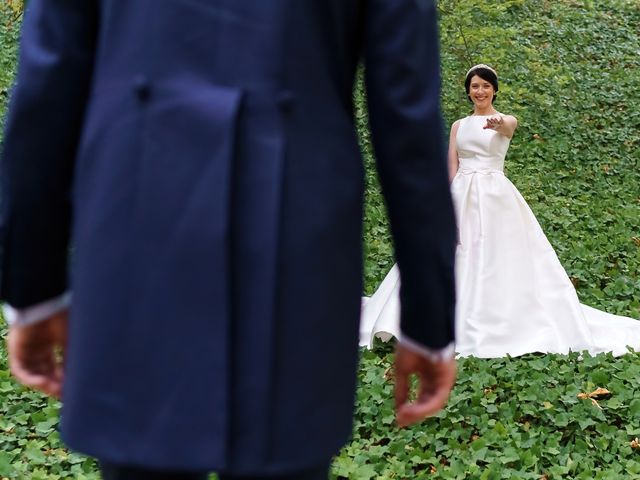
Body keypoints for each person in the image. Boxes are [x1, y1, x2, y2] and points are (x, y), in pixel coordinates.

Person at [1, 1, 457, 479]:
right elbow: (407, 116)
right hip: (295, 241)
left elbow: (45, 88)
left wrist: (32, 288)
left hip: (137, 228)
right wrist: (428, 321)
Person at [361, 64, 640, 358]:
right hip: (460, 194)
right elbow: (451, 168)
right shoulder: (459, 125)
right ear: (468, 91)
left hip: (494, 194)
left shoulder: (507, 119)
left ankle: (497, 320)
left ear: (494, 89)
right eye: (474, 86)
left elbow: (506, 128)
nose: (479, 91)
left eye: (485, 86)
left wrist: (498, 125)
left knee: (497, 255)